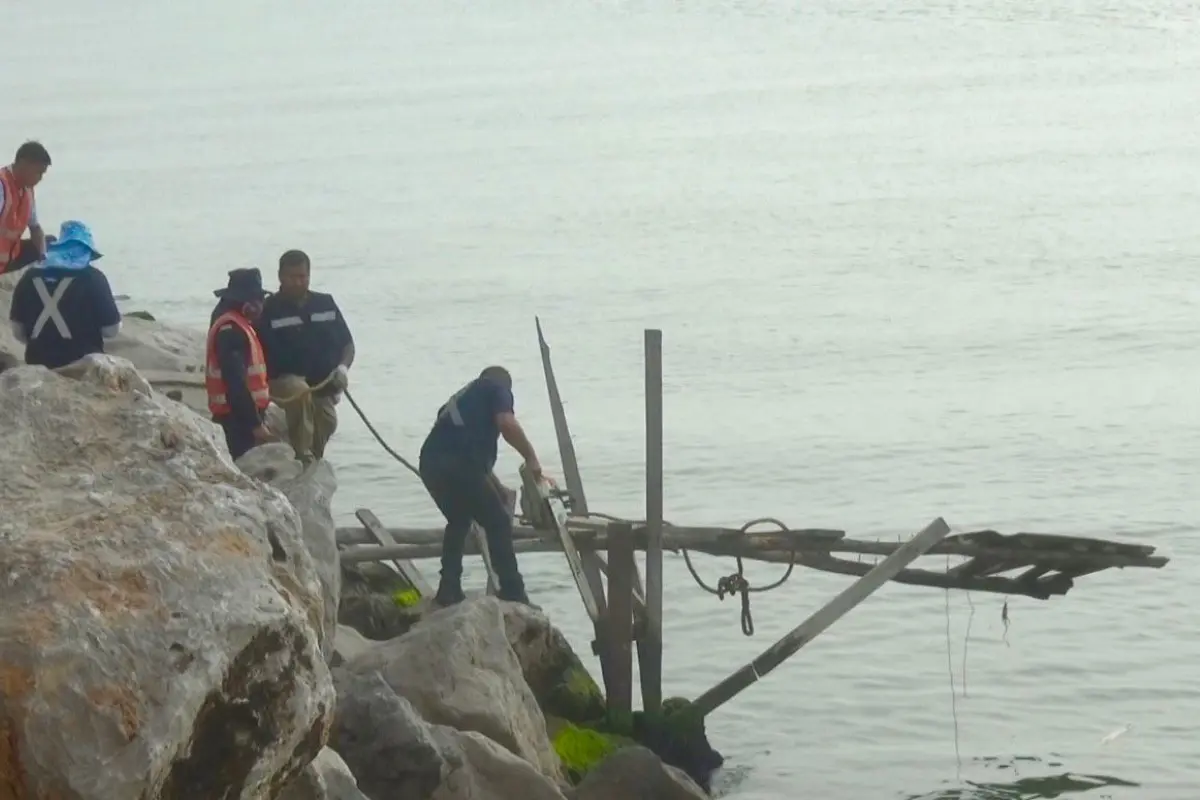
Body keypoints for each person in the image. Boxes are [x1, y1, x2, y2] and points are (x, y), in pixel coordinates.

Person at [419, 366, 551, 607]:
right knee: (498, 522)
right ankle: (513, 591)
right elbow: (507, 423)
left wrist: (496, 487)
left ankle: (448, 588)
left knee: (458, 519)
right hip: (459, 464)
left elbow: (462, 446)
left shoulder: (462, 398)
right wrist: (531, 457)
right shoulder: (498, 388)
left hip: (430, 463)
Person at [256, 249, 354, 464]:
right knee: (298, 391)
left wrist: (342, 369)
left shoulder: (325, 303)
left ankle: (314, 457)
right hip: (283, 380)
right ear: (281, 276)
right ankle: (302, 455)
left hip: (321, 382)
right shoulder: (269, 309)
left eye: (303, 277)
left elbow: (347, 343)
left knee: (327, 420)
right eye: (292, 277)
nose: (298, 282)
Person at [7, 220, 121, 369]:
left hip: (38, 363)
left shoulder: (30, 276)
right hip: (84, 365)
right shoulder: (94, 278)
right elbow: (111, 330)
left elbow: (17, 331)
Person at [206, 268, 272, 460]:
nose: (261, 306)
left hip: (237, 416)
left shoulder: (231, 321)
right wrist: (255, 424)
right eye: (257, 300)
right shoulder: (232, 330)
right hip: (236, 421)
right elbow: (236, 383)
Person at [0, 141, 51, 275]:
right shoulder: (2, 186)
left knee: (51, 244)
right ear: (23, 164)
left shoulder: (28, 191)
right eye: (38, 172)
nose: (40, 178)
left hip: (11, 258)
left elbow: (35, 229)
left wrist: (43, 257)